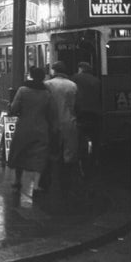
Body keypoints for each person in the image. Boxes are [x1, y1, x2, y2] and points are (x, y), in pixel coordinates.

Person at [6, 67, 57, 203]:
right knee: (39, 156)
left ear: (30, 75)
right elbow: (51, 112)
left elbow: (14, 108)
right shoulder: (47, 93)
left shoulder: (23, 90)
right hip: (41, 128)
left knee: (20, 153)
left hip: (24, 126)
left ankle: (17, 181)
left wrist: (11, 109)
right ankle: (36, 185)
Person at [45, 60, 79, 195]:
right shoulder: (73, 85)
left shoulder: (48, 84)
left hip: (52, 121)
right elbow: (77, 105)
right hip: (69, 120)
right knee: (69, 152)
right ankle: (67, 181)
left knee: (53, 150)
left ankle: (51, 178)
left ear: (54, 70)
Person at [72, 61, 102, 173]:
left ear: (81, 69)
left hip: (81, 113)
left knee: (80, 139)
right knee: (95, 138)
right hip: (95, 113)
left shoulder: (75, 78)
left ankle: (82, 163)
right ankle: (95, 161)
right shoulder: (96, 80)